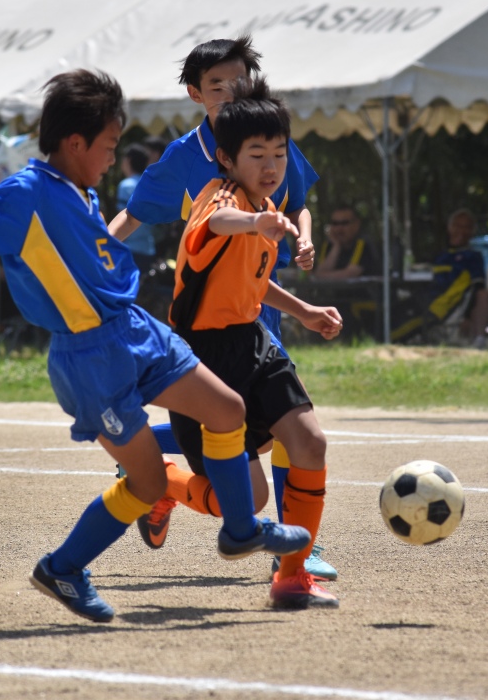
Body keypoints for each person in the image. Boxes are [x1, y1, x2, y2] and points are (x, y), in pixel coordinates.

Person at [0, 69, 309, 624]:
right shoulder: (28, 191)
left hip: (136, 329)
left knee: (227, 408)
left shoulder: (80, 190)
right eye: (109, 146)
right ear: (75, 143)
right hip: (89, 357)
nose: (114, 158)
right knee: (148, 482)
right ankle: (62, 568)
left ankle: (240, 530)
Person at [108, 35, 337, 581]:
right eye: (218, 84)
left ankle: (295, 556)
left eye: (240, 79)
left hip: (253, 316)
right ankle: (157, 476)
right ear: (197, 94)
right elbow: (185, 217)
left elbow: (294, 212)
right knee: (243, 459)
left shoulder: (268, 148)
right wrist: (92, 262)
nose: (231, 90)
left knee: (294, 433)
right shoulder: (204, 174)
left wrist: (303, 304)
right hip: (206, 339)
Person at [161, 76, 343, 609]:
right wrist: (254, 220)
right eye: (257, 155)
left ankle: (292, 578)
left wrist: (304, 311)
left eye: (279, 154)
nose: (271, 166)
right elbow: (219, 223)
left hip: (253, 342)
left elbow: (252, 283)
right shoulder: (220, 201)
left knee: (310, 443)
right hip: (201, 360)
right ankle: (164, 481)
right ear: (226, 158)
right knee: (248, 499)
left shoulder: (265, 206)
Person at [421, 208, 488, 346]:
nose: (461, 231)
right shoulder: (440, 256)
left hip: (449, 310)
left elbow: (477, 288)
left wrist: (467, 316)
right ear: (449, 228)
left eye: (466, 227)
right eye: (457, 225)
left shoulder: (473, 257)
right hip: (427, 303)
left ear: (472, 232)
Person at [114, 143, 159, 273]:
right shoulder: (150, 185)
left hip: (129, 250)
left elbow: (123, 220)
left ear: (128, 160)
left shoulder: (126, 186)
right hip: (148, 249)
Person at [314, 206, 379, 280]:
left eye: (344, 223)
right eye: (335, 223)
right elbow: (318, 273)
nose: (339, 229)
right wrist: (336, 246)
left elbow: (349, 275)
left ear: (356, 225)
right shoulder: (329, 245)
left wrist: (322, 275)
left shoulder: (362, 244)